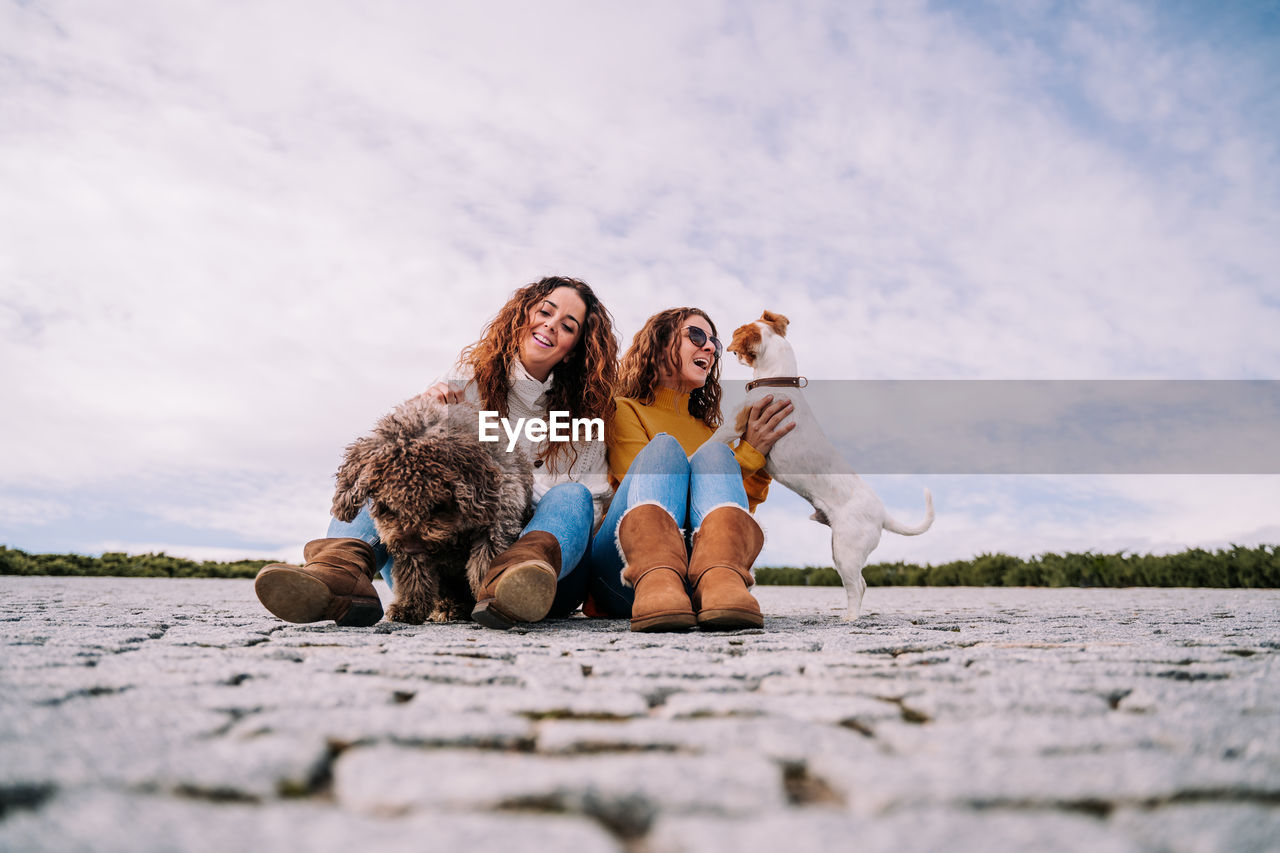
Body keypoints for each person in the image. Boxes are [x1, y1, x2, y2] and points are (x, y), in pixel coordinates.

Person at [254, 276, 618, 628]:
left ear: (573, 350)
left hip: (538, 577)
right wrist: (423, 405)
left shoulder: (584, 418)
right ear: (522, 317)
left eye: (568, 326)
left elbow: (592, 511)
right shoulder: (467, 378)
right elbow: (407, 449)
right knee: (391, 464)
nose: (551, 325)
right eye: (544, 311)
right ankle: (338, 574)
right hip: (434, 571)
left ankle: (508, 583)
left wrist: (504, 493)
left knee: (573, 496)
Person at [587, 307, 794, 632]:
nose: (710, 347)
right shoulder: (623, 410)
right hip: (625, 576)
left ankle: (720, 581)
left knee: (713, 454)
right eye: (696, 336)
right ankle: (659, 580)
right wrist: (748, 457)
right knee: (666, 450)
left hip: (694, 585)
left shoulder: (711, 431)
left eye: (714, 341)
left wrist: (765, 458)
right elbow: (647, 491)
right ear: (657, 345)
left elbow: (723, 517)